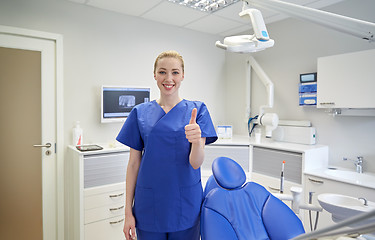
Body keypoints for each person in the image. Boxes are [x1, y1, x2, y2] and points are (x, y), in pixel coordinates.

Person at [116, 50, 218, 240]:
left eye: (175, 72)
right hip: (149, 205)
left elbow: (196, 163)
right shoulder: (139, 113)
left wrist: (196, 141)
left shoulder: (198, 110)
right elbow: (133, 165)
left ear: (183, 75)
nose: (168, 78)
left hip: (186, 204)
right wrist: (127, 212)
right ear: (154, 75)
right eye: (162, 72)